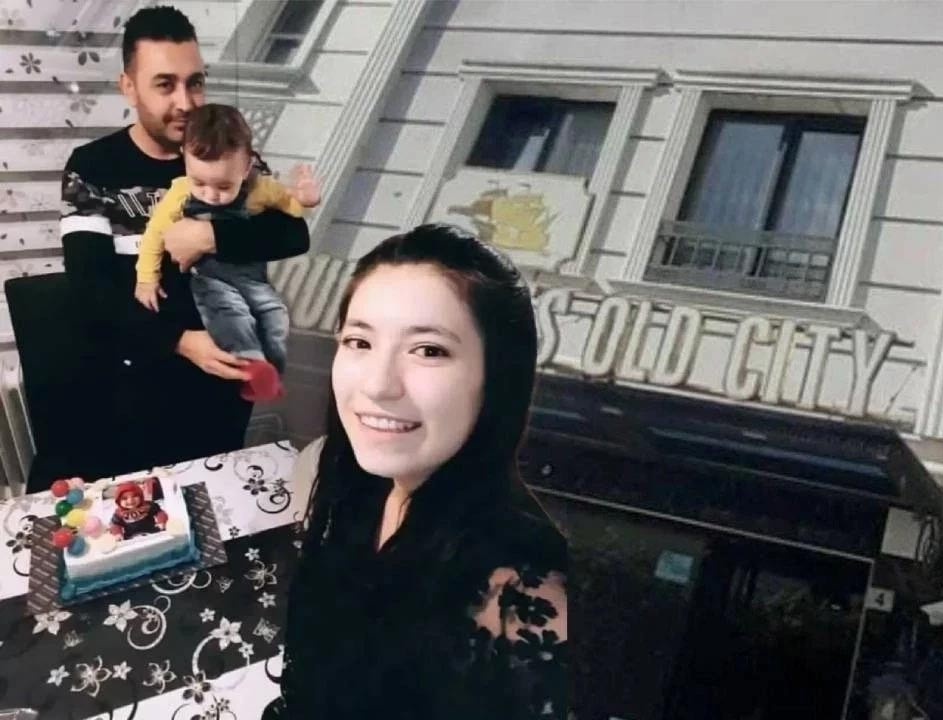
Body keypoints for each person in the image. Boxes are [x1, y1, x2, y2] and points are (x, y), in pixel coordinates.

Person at [265, 225, 569, 719]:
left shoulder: (524, 579)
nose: (378, 385)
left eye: (428, 350)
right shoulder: (357, 492)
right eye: (359, 341)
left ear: (497, 378)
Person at [51, 6, 309, 488]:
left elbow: (293, 234)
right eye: (165, 85)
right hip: (131, 381)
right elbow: (90, 289)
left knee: (216, 505)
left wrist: (210, 235)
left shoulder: (224, 151)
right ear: (129, 87)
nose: (186, 102)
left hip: (220, 384)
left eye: (195, 83)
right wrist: (181, 341)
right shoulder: (93, 167)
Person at [135, 103, 320, 401]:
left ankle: (271, 371)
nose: (210, 195)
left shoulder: (261, 188)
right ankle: (251, 365)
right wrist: (146, 278)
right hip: (210, 279)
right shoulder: (180, 193)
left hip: (252, 277)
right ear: (184, 159)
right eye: (199, 182)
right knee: (231, 314)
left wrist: (305, 200)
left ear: (246, 168)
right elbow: (154, 235)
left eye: (223, 186)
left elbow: (292, 217)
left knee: (275, 315)